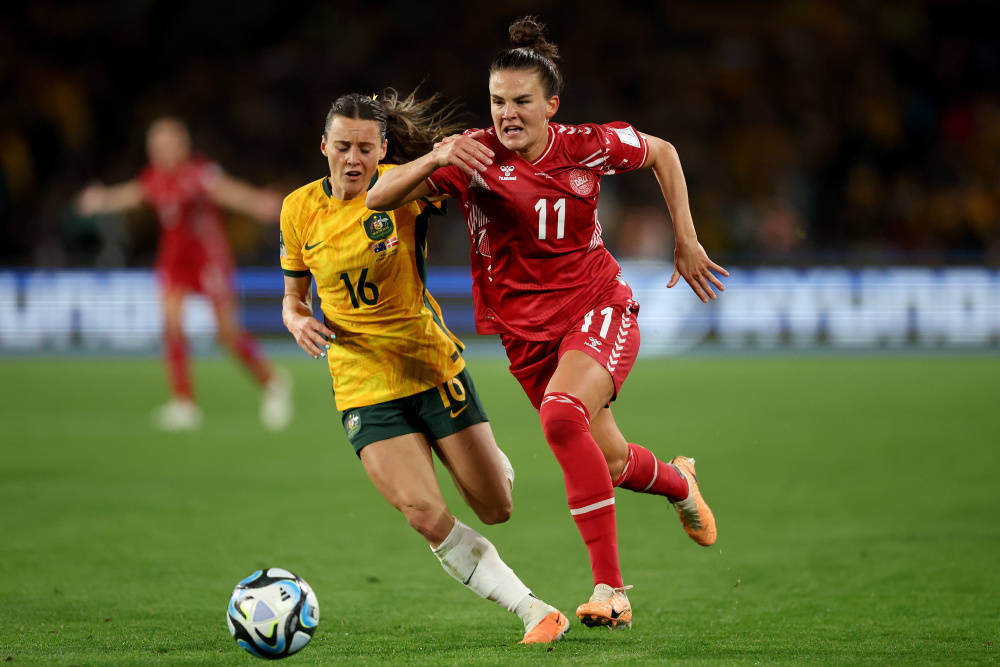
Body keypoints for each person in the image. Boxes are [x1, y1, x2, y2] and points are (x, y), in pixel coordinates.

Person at [367, 16, 729, 630]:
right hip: (526, 337)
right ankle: (679, 483)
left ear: (550, 105)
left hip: (597, 306)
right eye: (497, 102)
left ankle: (611, 591)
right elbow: (379, 197)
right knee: (609, 461)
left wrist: (686, 241)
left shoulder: (586, 145)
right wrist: (437, 154)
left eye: (521, 102)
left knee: (562, 416)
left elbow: (663, 153)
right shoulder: (472, 155)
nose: (507, 114)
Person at [279, 90, 569, 645]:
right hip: (363, 383)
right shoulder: (298, 209)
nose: (354, 159)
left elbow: (481, 180)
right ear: (324, 146)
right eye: (343, 147)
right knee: (422, 512)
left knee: (496, 507)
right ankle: (532, 609)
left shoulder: (406, 187)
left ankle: (487, 462)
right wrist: (296, 320)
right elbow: (293, 298)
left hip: (431, 367)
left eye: (366, 148)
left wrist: (457, 154)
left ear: (383, 148)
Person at [76, 117, 291, 431]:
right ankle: (184, 403)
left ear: (182, 145)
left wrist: (258, 203)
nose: (162, 151)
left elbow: (228, 191)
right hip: (175, 260)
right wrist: (103, 200)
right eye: (156, 146)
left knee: (226, 334)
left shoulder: (199, 173)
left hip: (208, 259)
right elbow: (134, 194)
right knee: (173, 327)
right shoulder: (154, 177)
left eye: (168, 144)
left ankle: (272, 380)